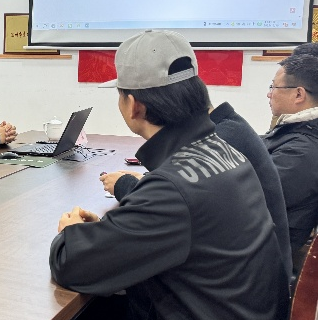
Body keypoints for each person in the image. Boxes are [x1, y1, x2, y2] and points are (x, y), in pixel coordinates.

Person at [17, 30, 289, 320]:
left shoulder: (173, 186)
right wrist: (115, 231)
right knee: (98, 318)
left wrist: (70, 231)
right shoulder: (224, 153)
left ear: (134, 105)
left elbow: (72, 264)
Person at [101, 99, 292, 279]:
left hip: (236, 282)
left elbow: (168, 210)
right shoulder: (230, 127)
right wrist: (145, 182)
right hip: (255, 274)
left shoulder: (219, 141)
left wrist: (124, 185)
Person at [262, 53, 318, 272]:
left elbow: (247, 198)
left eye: (274, 87)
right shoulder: (294, 133)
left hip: (259, 263)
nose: (269, 94)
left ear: (298, 94)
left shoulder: (302, 152)